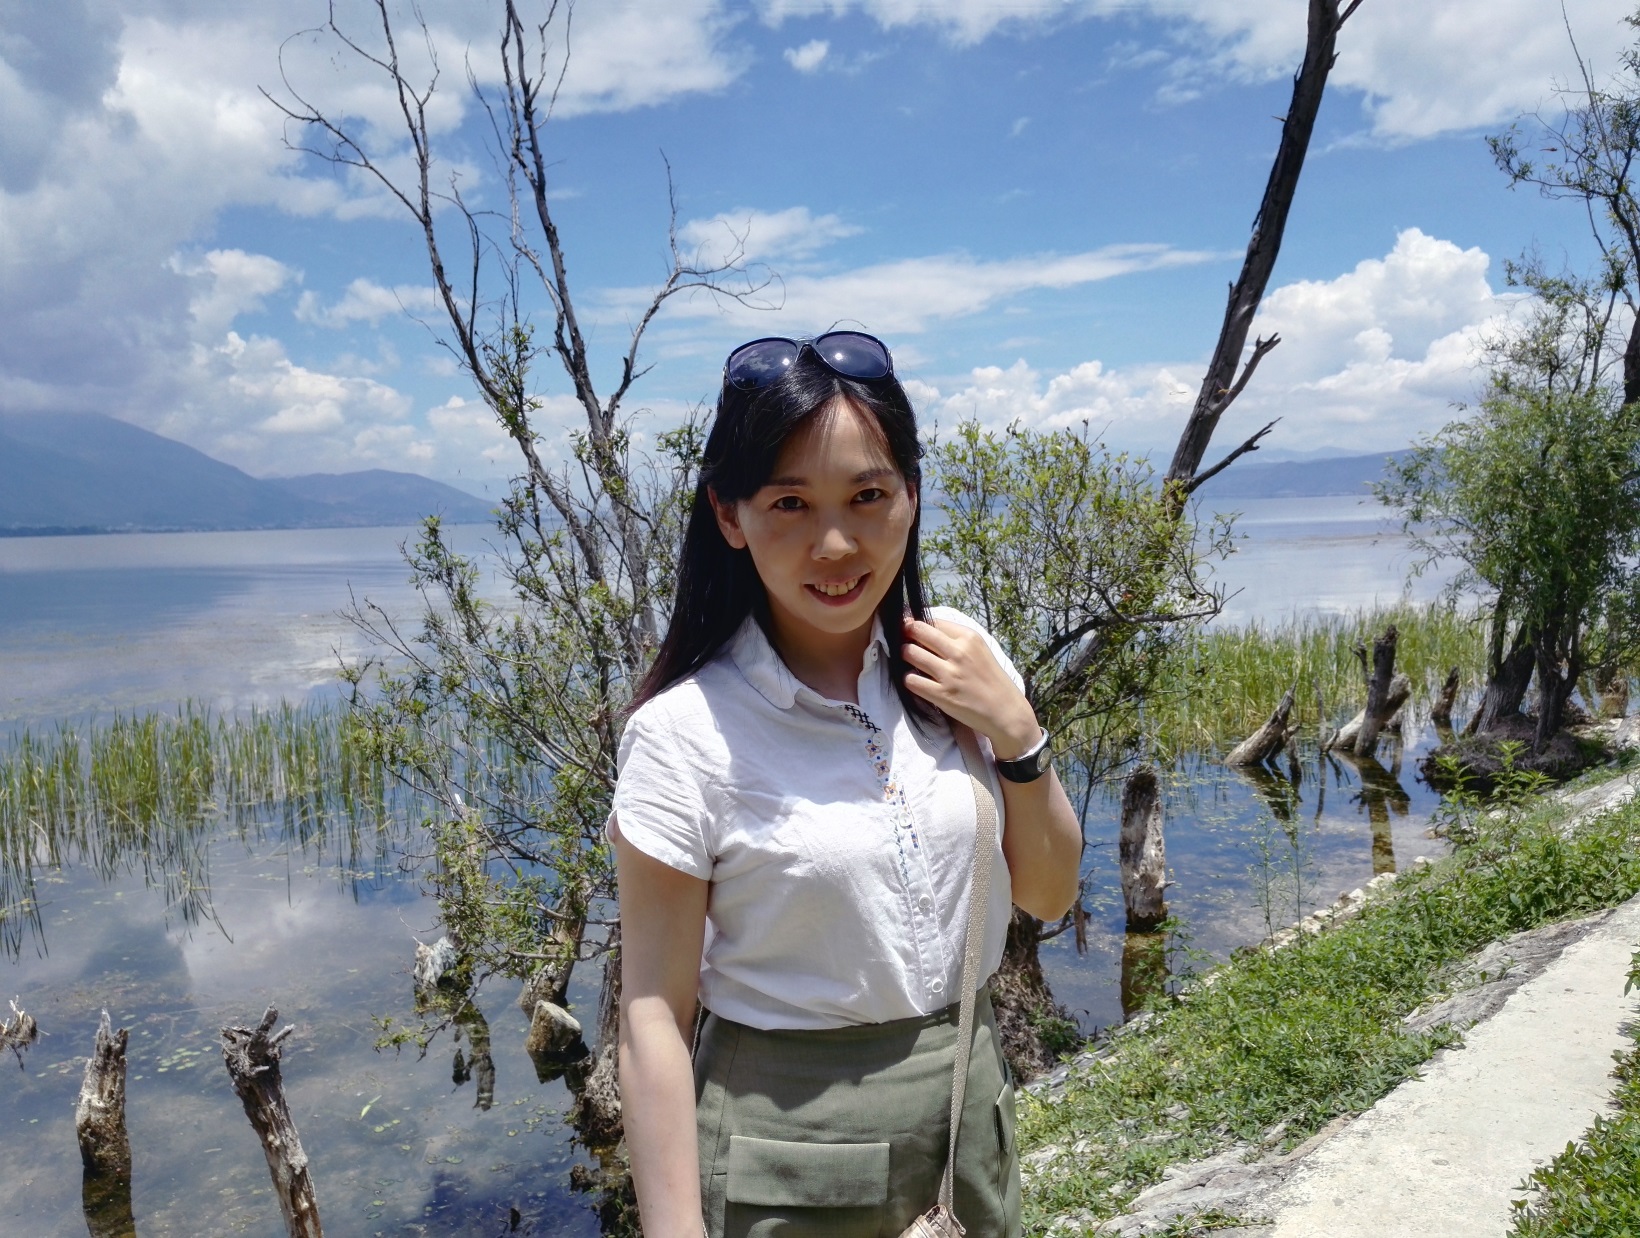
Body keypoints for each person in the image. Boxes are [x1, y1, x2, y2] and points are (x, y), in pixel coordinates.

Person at [610, 331, 1082, 1238]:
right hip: (784, 1154)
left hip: (966, 1120)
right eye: (790, 503)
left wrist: (1018, 732)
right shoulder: (683, 735)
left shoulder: (958, 662)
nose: (835, 544)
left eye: (868, 495)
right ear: (729, 515)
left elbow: (1050, 893)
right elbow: (653, 1016)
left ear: (911, 495)